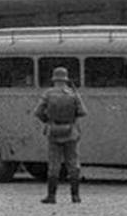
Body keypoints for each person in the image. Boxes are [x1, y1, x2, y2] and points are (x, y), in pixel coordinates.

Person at [33, 66, 88, 204]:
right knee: (73, 164)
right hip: (71, 131)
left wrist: (48, 121)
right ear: (66, 79)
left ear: (54, 79)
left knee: (54, 165)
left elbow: (38, 112)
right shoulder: (73, 94)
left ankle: (51, 196)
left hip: (54, 130)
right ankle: (75, 196)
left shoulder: (48, 93)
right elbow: (82, 112)